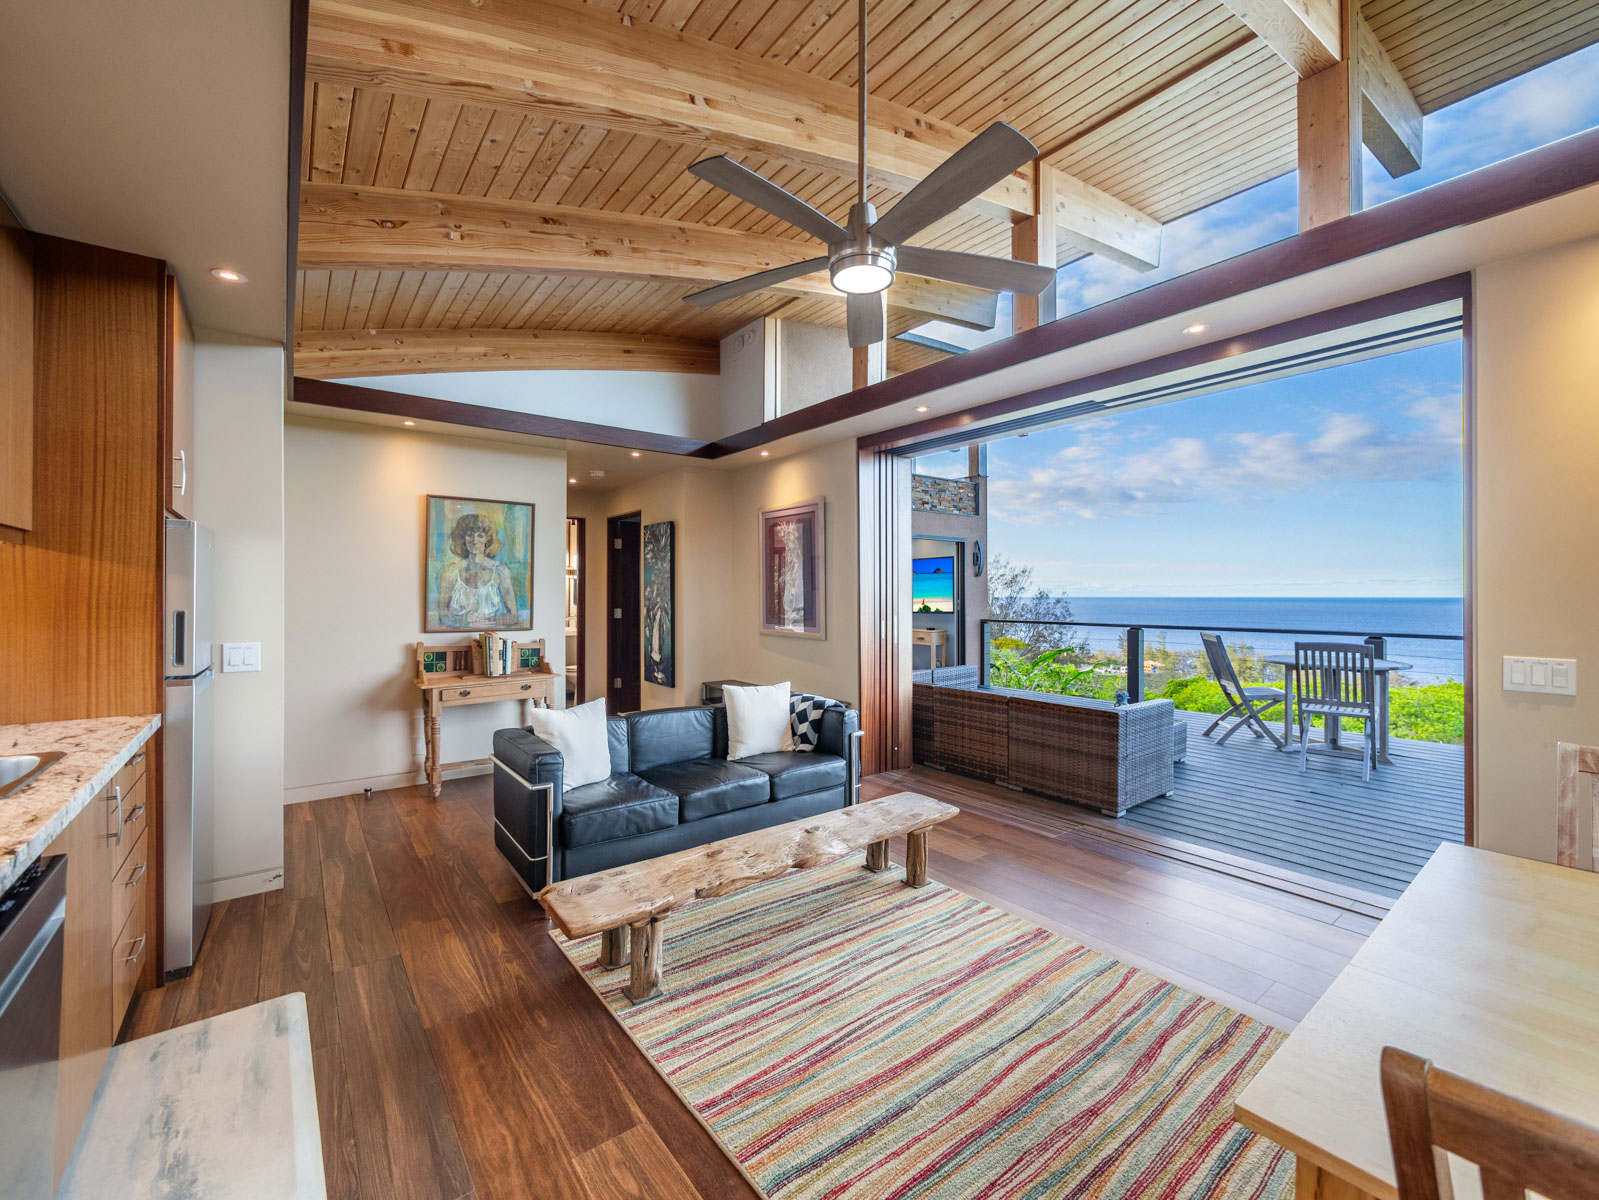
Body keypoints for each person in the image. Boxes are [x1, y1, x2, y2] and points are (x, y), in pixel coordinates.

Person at [438, 512, 519, 627]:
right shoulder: (450, 571)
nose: (474, 540)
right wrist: (465, 621)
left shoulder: (500, 571)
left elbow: (513, 616)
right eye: (470, 535)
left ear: (487, 539)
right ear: (463, 539)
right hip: (456, 636)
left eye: (480, 535)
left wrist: (485, 621)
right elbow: (443, 614)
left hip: (490, 635)